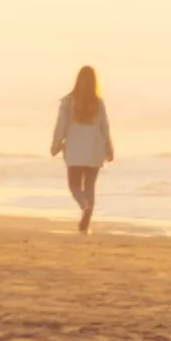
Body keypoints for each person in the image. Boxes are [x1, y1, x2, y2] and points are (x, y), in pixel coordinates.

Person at [50, 65, 114, 234]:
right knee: (90, 186)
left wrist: (56, 145)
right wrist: (109, 148)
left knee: (74, 185)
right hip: (94, 147)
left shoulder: (67, 102)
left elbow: (61, 126)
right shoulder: (98, 103)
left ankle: (84, 206)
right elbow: (105, 127)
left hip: (75, 148)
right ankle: (85, 221)